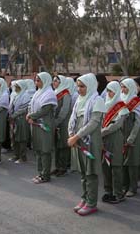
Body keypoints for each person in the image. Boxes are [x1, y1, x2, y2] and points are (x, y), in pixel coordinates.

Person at [68, 73, 105, 216]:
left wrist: (76, 136)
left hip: (90, 141)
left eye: (82, 86)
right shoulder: (79, 100)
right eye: (78, 86)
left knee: (91, 173)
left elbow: (94, 123)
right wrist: (71, 133)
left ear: (90, 86)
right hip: (79, 139)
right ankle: (85, 198)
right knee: (83, 172)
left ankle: (91, 203)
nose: (79, 89)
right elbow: (73, 118)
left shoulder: (97, 100)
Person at [27, 72, 58, 183]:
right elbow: (30, 105)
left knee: (45, 150)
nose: (36, 82)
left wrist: (31, 116)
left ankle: (46, 175)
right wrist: (29, 114)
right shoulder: (38, 92)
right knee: (38, 150)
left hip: (45, 125)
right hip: (36, 125)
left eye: (38, 80)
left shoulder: (49, 93)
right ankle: (40, 173)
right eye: (36, 80)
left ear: (45, 81)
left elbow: (45, 110)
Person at [101, 81, 128, 204]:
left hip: (115, 138)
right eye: (107, 91)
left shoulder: (121, 106)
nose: (109, 93)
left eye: (111, 91)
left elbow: (118, 124)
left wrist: (102, 131)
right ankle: (108, 191)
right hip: (104, 138)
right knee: (105, 165)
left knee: (116, 165)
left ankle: (118, 193)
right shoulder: (104, 104)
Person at [120, 78, 140, 197]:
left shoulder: (136, 101)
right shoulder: (121, 99)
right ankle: (124, 185)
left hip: (132, 135)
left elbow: (137, 122)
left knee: (132, 162)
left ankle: (132, 188)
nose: (123, 90)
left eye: (125, 87)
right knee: (123, 161)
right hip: (121, 133)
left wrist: (131, 138)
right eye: (122, 87)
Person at [52, 75, 73, 177]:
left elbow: (64, 111)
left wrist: (56, 122)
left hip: (64, 123)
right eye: (53, 81)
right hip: (56, 122)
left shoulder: (66, 94)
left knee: (63, 145)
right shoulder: (55, 93)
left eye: (56, 81)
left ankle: (63, 167)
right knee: (57, 145)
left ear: (62, 82)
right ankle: (57, 166)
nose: (54, 83)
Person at [8, 80, 31, 163]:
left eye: (18, 87)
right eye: (16, 86)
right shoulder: (16, 95)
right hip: (14, 120)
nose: (16, 88)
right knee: (14, 138)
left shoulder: (26, 95)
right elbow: (11, 106)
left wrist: (13, 115)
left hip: (21, 119)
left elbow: (23, 109)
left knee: (22, 138)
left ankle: (23, 157)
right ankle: (16, 155)